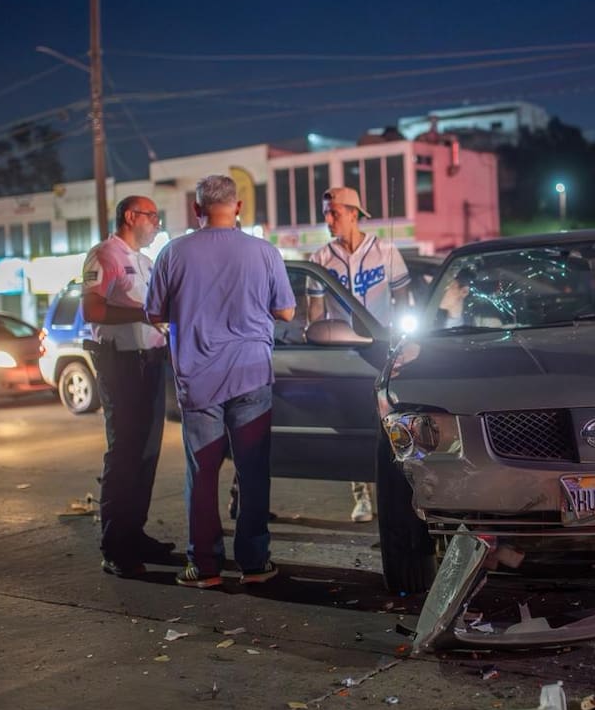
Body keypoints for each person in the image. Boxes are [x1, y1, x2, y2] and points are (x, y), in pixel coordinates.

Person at [145, 175, 295, 589]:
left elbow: (154, 312)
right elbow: (285, 312)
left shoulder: (173, 253)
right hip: (251, 374)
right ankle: (255, 562)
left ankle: (205, 567)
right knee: (253, 472)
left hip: (198, 378)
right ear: (239, 207)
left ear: (197, 210)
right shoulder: (265, 253)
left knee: (203, 472)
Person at [82, 195, 173, 578]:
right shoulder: (103, 255)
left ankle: (135, 534)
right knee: (123, 453)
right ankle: (115, 545)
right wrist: (145, 312)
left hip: (151, 363)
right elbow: (93, 309)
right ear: (131, 216)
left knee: (147, 453)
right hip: (120, 363)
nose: (156, 223)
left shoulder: (147, 262)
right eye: (152, 216)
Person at [307, 186, 411, 523]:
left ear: (354, 212)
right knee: (351, 421)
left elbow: (404, 301)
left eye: (333, 211)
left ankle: (399, 491)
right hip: (342, 348)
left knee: (389, 421)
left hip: (382, 347)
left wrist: (405, 340)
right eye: (325, 212)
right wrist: (316, 338)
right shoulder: (320, 257)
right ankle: (361, 495)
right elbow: (314, 311)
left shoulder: (386, 250)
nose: (328, 219)